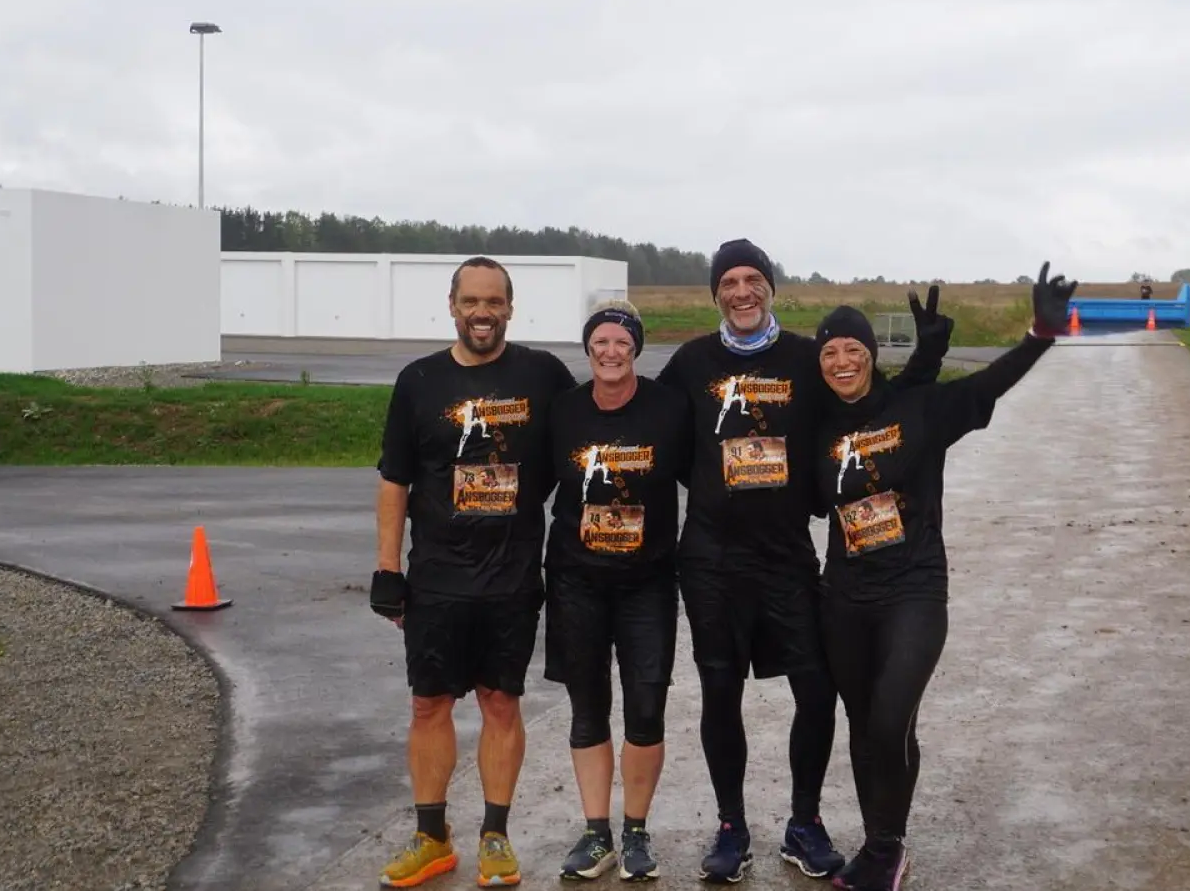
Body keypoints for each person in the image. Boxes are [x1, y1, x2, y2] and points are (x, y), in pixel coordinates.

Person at [655, 239, 950, 883]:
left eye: (752, 279)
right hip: (710, 559)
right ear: (714, 294)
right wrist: (717, 490)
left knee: (816, 691)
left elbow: (867, 403)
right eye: (727, 281)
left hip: (788, 555)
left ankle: (804, 821)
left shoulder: (804, 361)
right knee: (719, 690)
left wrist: (925, 361)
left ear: (769, 287)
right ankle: (731, 825)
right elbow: (672, 446)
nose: (740, 291)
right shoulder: (689, 362)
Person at [811, 262, 1077, 891]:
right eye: (829, 351)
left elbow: (990, 384)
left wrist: (1040, 332)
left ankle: (887, 846)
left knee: (890, 716)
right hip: (845, 595)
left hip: (914, 589)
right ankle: (876, 846)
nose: (842, 360)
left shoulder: (919, 408)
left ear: (873, 356)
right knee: (860, 721)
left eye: (854, 348)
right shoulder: (815, 428)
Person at [369, 255, 578, 888]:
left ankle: (495, 836)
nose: (481, 312)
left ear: (510, 308)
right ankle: (432, 837)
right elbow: (395, 479)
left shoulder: (543, 375)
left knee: (500, 701)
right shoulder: (419, 380)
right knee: (428, 703)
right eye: (471, 301)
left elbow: (589, 438)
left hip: (512, 575)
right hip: (435, 574)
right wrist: (386, 568)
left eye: (494, 301)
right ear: (452, 306)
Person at [542, 300, 693, 882]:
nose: (610, 352)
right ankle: (594, 832)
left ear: (636, 348)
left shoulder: (668, 409)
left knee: (646, 706)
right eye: (600, 342)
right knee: (587, 708)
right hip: (577, 579)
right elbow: (535, 487)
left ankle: (634, 832)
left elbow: (702, 479)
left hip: (647, 582)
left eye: (621, 342)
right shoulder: (564, 412)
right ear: (588, 349)